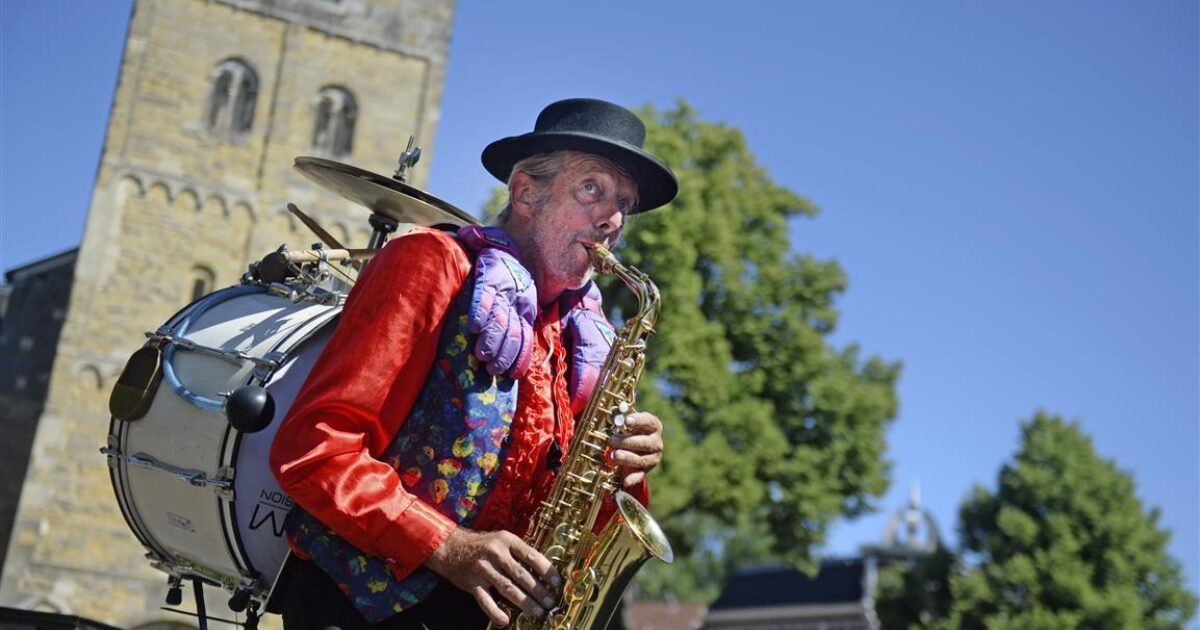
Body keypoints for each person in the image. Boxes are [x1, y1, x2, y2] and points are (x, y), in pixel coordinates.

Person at [269, 98, 679, 629]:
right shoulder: (432, 264)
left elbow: (577, 526)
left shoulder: (581, 339)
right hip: (362, 611)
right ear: (526, 192)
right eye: (592, 189)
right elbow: (314, 449)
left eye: (625, 203)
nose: (613, 219)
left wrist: (624, 470)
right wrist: (449, 546)